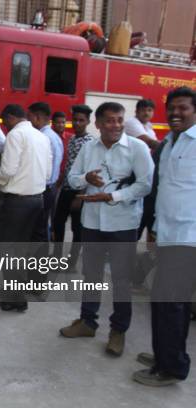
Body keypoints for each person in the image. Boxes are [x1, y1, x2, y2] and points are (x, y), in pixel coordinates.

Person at [59, 102, 154, 357]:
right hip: (92, 223)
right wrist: (85, 179)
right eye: (110, 120)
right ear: (98, 124)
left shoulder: (137, 148)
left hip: (123, 224)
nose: (116, 125)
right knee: (91, 275)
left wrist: (113, 196)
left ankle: (118, 330)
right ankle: (88, 322)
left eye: (120, 120)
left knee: (121, 279)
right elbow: (72, 178)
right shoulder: (89, 147)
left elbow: (145, 185)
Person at [133, 87, 196, 386]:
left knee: (169, 301)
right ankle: (168, 354)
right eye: (171, 108)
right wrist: (155, 228)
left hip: (187, 237)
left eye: (183, 108)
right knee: (170, 302)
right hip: (168, 232)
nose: (175, 114)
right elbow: (167, 188)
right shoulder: (170, 142)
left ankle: (169, 368)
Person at [0, 104, 52, 312]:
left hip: (17, 201)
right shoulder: (41, 136)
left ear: (10, 118)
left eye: (5, 122)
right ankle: (33, 286)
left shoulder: (16, 135)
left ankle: (15, 299)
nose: (5, 127)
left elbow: (7, 169)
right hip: (38, 199)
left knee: (7, 248)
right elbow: (48, 173)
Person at [52, 105, 94, 266]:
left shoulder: (89, 142)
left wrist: (80, 196)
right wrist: (60, 181)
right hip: (67, 188)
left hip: (79, 191)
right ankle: (56, 256)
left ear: (88, 122)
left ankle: (72, 261)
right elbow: (69, 164)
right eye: (75, 120)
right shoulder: (72, 139)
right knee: (57, 222)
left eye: (81, 120)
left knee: (77, 228)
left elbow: (89, 169)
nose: (77, 123)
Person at [28, 102, 64, 242]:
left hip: (43, 188)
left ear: (37, 117)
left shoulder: (43, 137)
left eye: (29, 116)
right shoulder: (53, 135)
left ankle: (37, 261)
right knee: (41, 226)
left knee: (38, 230)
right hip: (50, 187)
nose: (28, 120)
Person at [51, 111, 69, 181]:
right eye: (58, 122)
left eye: (63, 122)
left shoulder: (70, 138)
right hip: (51, 177)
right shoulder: (47, 137)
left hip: (65, 177)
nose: (61, 125)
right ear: (53, 123)